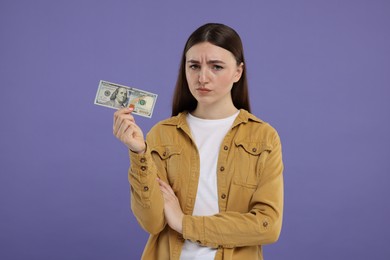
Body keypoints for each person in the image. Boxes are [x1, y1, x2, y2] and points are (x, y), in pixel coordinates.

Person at [113, 23, 284, 260]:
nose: (202, 77)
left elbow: (268, 225)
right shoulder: (162, 135)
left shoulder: (264, 137)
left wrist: (185, 223)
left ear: (238, 72)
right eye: (194, 66)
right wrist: (138, 152)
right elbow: (152, 223)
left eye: (216, 66)